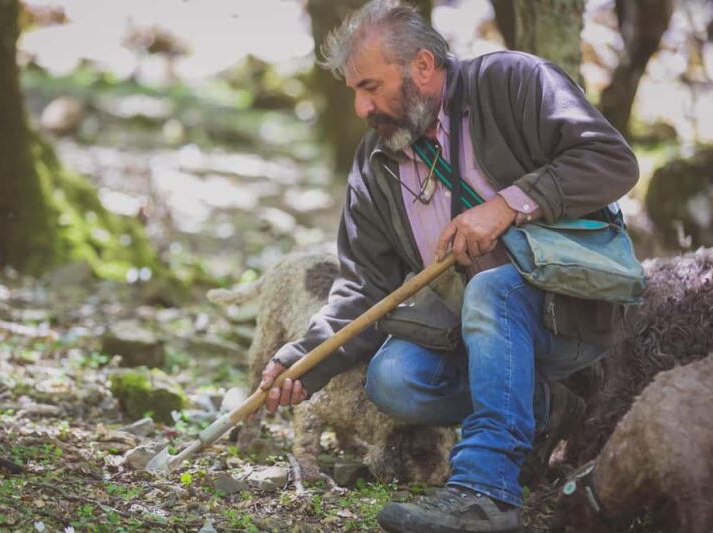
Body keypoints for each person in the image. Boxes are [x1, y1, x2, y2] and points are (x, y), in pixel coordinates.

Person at [259, 1, 639, 531]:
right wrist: (305, 357)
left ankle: (485, 493)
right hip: (470, 327)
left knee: (492, 289)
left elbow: (612, 160)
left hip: (571, 311)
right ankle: (548, 409)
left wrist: (509, 204)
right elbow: (365, 285)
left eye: (370, 86)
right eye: (354, 91)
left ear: (421, 66)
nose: (362, 108)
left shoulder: (514, 81)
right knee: (393, 380)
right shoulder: (375, 164)